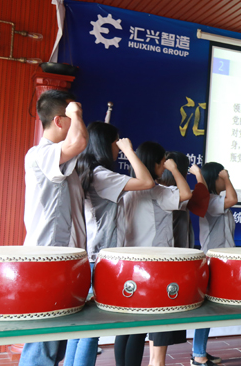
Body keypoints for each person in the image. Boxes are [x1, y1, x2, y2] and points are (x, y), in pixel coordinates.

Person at [66, 121, 154, 366]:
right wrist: (130, 151)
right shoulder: (102, 175)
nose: (118, 147)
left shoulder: (85, 171)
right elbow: (146, 182)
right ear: (105, 145)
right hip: (100, 258)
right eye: (116, 142)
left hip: (88, 256)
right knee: (91, 330)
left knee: (80, 328)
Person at [20, 90, 87, 366]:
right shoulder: (42, 154)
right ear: (59, 121)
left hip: (62, 258)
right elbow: (80, 141)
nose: (78, 122)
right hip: (45, 259)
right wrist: (76, 111)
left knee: (54, 343)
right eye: (71, 117)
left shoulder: (61, 160)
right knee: (42, 345)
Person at [115, 141, 192, 366]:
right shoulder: (158, 191)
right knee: (140, 328)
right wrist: (175, 170)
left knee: (126, 326)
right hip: (152, 266)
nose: (164, 166)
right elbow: (186, 193)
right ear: (157, 164)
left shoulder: (128, 189)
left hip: (129, 263)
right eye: (162, 163)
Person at [189, 162, 238, 366]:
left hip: (222, 259)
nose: (225, 179)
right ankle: (198, 354)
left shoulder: (216, 199)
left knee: (210, 308)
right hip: (213, 259)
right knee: (207, 308)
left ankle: (200, 350)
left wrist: (224, 177)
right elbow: (233, 199)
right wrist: (227, 178)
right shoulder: (209, 200)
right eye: (221, 176)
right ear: (214, 178)